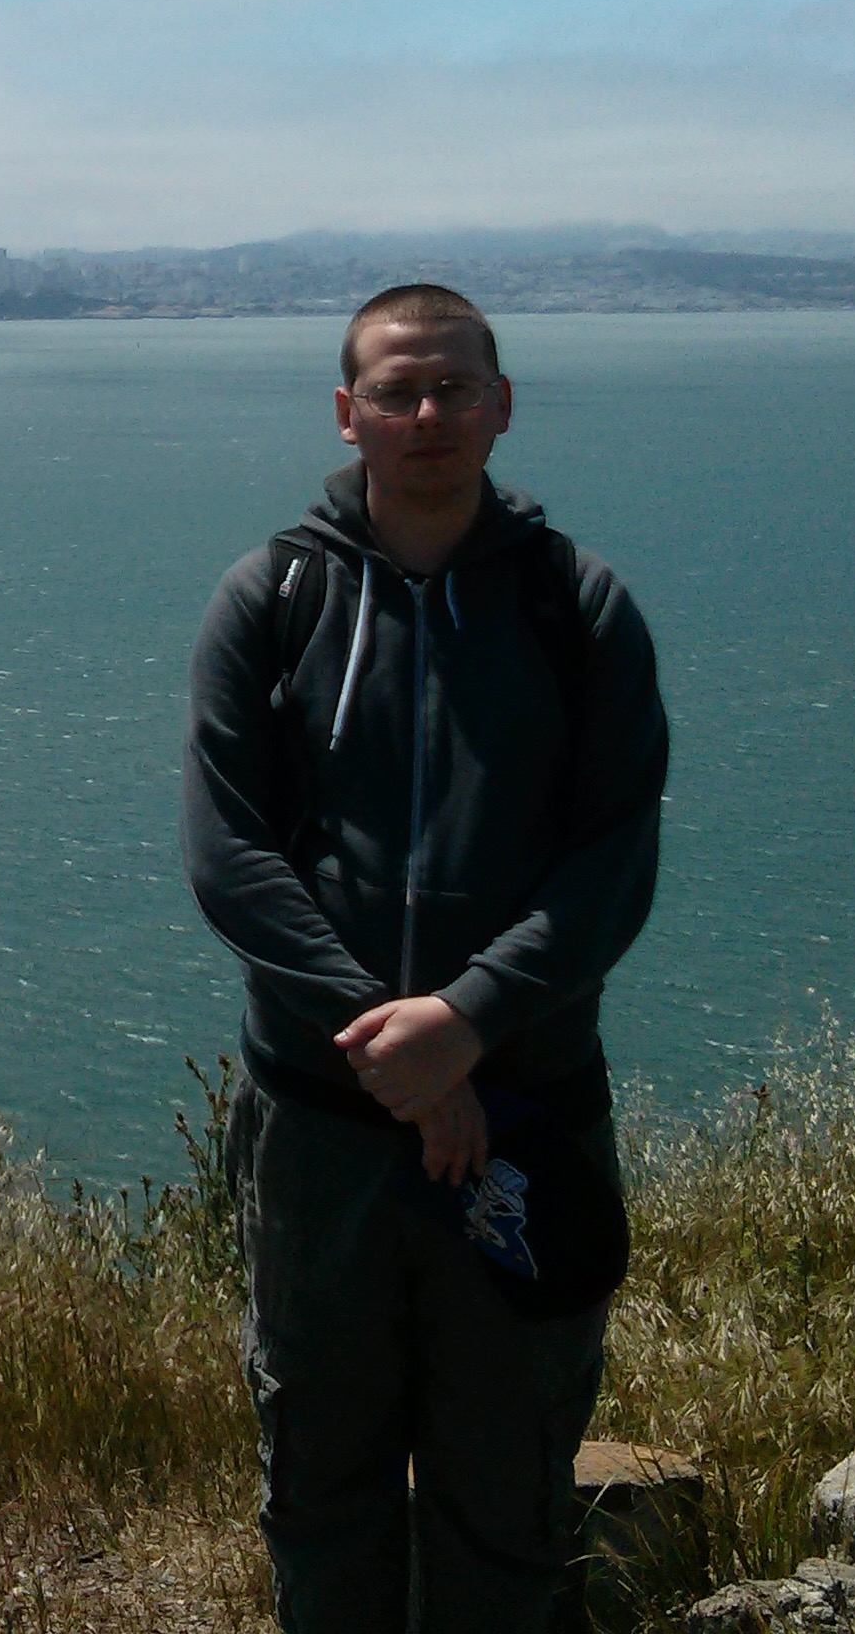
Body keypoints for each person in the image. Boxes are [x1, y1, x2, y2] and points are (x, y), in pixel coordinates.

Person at [183, 282, 669, 1633]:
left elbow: (614, 859)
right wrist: (397, 1048)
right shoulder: (273, 596)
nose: (429, 413)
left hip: (522, 1120)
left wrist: (468, 1022)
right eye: (397, 391)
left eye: (455, 387)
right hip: (322, 1135)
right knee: (320, 1483)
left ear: (502, 406)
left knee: (508, 1490)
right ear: (349, 414)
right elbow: (229, 855)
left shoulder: (577, 606)